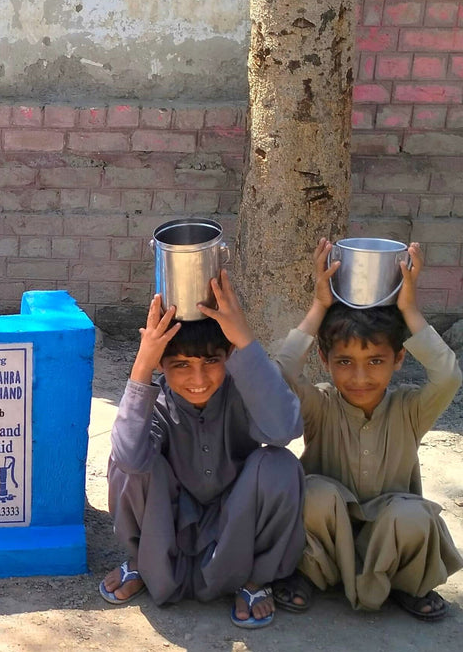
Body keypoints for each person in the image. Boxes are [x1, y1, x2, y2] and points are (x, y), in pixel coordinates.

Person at [100, 271, 305, 629]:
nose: (198, 380)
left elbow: (284, 430)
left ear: (228, 355)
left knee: (279, 465)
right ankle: (142, 563)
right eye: (181, 365)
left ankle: (256, 579)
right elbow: (130, 457)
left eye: (212, 361)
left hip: (235, 519)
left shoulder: (245, 390)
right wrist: (143, 364)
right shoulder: (158, 401)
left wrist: (245, 341)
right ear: (163, 365)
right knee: (125, 459)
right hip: (170, 522)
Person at [272, 239, 463, 620]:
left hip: (389, 530)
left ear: (399, 358)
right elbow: (279, 374)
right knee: (312, 494)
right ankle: (312, 573)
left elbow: (447, 375)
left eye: (376, 360)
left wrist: (408, 307)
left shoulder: (409, 409)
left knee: (414, 517)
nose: (360, 376)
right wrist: (320, 304)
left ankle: (405, 583)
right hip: (327, 530)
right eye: (345, 361)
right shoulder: (321, 404)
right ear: (325, 360)